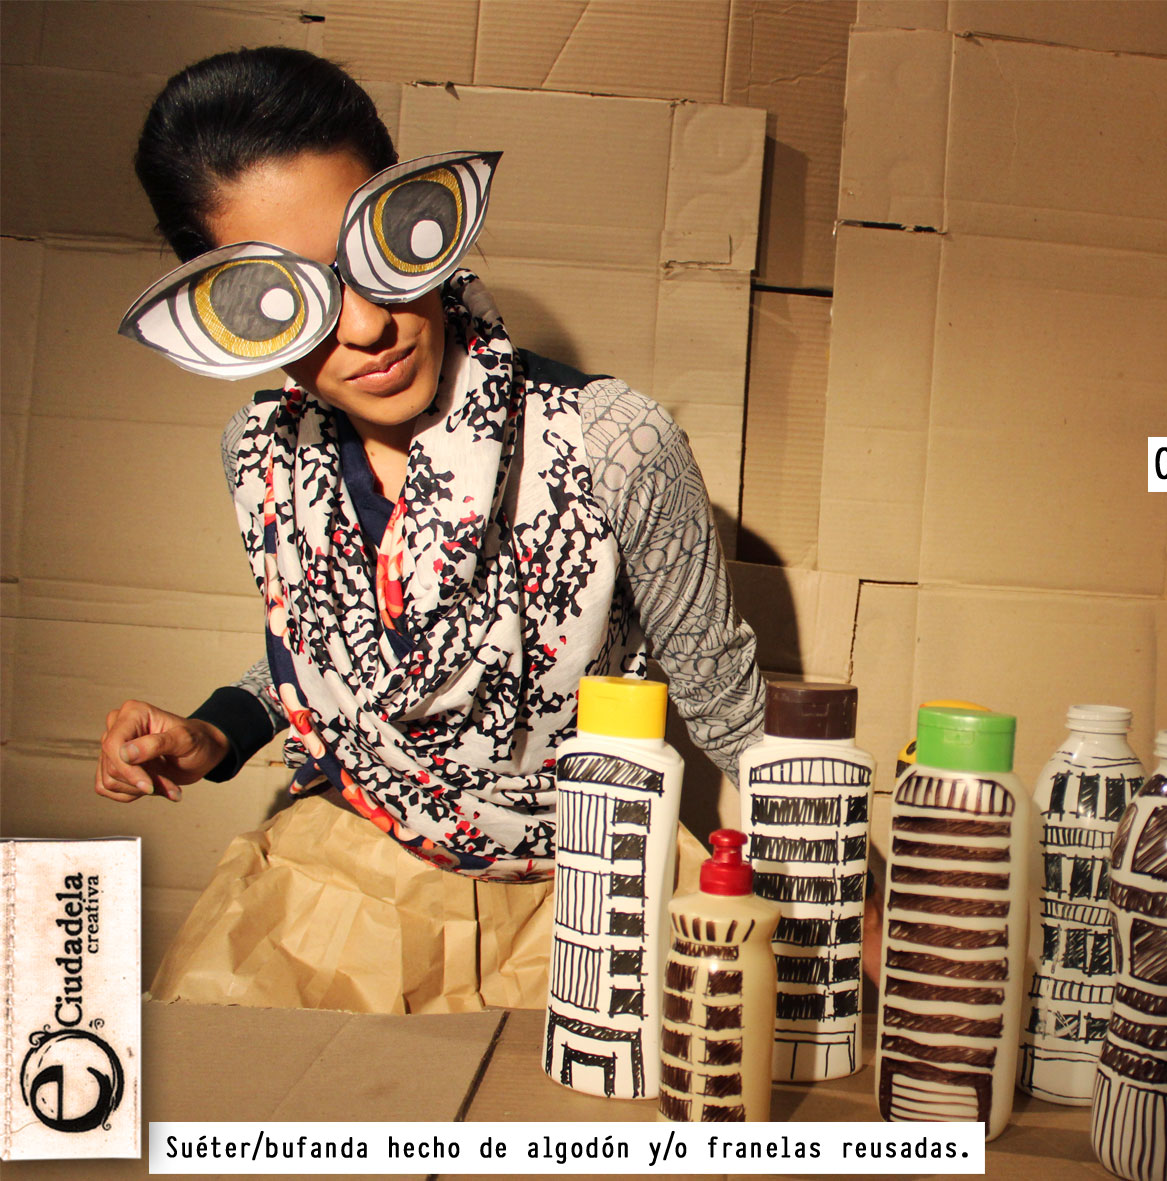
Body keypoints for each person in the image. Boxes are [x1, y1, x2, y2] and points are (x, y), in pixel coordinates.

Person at [92, 47, 764, 1012]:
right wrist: (210, 732)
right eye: (289, 293)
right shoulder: (264, 455)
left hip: (584, 893)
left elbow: (729, 709)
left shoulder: (613, 441)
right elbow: (341, 669)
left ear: (410, 212)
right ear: (229, 308)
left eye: (370, 257)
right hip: (352, 888)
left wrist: (855, 909)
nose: (366, 326)